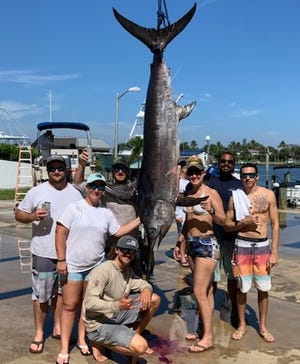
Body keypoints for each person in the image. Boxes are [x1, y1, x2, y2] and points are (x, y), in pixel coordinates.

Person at [55, 173, 141, 364]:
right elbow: (60, 233)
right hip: (73, 266)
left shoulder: (105, 211)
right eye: (93, 186)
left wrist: (140, 219)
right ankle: (63, 349)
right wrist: (61, 260)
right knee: (70, 306)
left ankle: (82, 340)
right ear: (87, 187)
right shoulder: (74, 207)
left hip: (96, 266)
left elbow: (117, 232)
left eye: (100, 187)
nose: (96, 190)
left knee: (88, 307)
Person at [15, 155, 83, 354]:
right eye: (52, 168)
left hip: (69, 254)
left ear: (66, 170)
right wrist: (33, 216)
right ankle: (38, 333)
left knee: (62, 294)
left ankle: (58, 326)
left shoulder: (75, 194)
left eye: (60, 167)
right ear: (47, 170)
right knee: (41, 295)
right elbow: (19, 214)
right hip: (43, 253)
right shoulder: (37, 191)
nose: (56, 171)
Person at [82, 235, 161, 363]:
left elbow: (142, 283)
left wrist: (147, 289)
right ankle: (97, 340)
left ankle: (133, 336)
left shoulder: (127, 271)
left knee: (154, 299)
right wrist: (117, 305)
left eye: (132, 252)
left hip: (115, 314)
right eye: (125, 250)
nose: (128, 254)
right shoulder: (103, 271)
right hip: (98, 322)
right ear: (117, 250)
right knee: (141, 348)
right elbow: (89, 303)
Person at [224, 163, 279, 342]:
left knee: (263, 288)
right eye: (244, 175)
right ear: (240, 178)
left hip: (262, 246)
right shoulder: (235, 197)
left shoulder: (268, 194)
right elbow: (227, 225)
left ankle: (262, 326)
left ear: (257, 176)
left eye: (251, 175)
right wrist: (244, 222)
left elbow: (275, 224)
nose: (247, 178)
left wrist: (275, 251)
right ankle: (242, 325)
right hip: (242, 245)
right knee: (242, 287)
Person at [179, 156, 226, 353]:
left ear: (204, 173)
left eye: (198, 171)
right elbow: (188, 221)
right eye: (191, 172)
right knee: (205, 291)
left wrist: (212, 210)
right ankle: (202, 329)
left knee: (198, 291)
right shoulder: (188, 191)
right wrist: (180, 243)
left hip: (207, 244)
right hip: (191, 244)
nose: (194, 175)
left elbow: (223, 220)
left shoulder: (211, 193)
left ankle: (208, 338)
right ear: (187, 174)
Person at [73, 150, 143, 276]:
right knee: (111, 281)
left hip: (132, 244)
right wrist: (82, 165)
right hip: (111, 246)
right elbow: (78, 184)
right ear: (112, 171)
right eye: (117, 169)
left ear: (128, 172)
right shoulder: (103, 189)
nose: (120, 172)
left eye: (123, 169)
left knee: (136, 280)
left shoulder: (137, 191)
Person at [205, 151, 243, 326]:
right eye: (223, 161)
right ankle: (207, 313)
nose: (226, 164)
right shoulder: (209, 181)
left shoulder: (239, 185)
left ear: (234, 164)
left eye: (230, 162)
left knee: (232, 279)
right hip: (212, 237)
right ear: (218, 163)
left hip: (231, 238)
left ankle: (235, 311)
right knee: (210, 279)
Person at [173, 161, 190, 267]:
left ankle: (185, 253)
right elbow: (176, 198)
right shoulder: (178, 181)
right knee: (182, 235)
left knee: (188, 234)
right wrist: (177, 213)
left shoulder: (189, 181)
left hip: (188, 209)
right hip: (181, 210)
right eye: (187, 167)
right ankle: (182, 256)